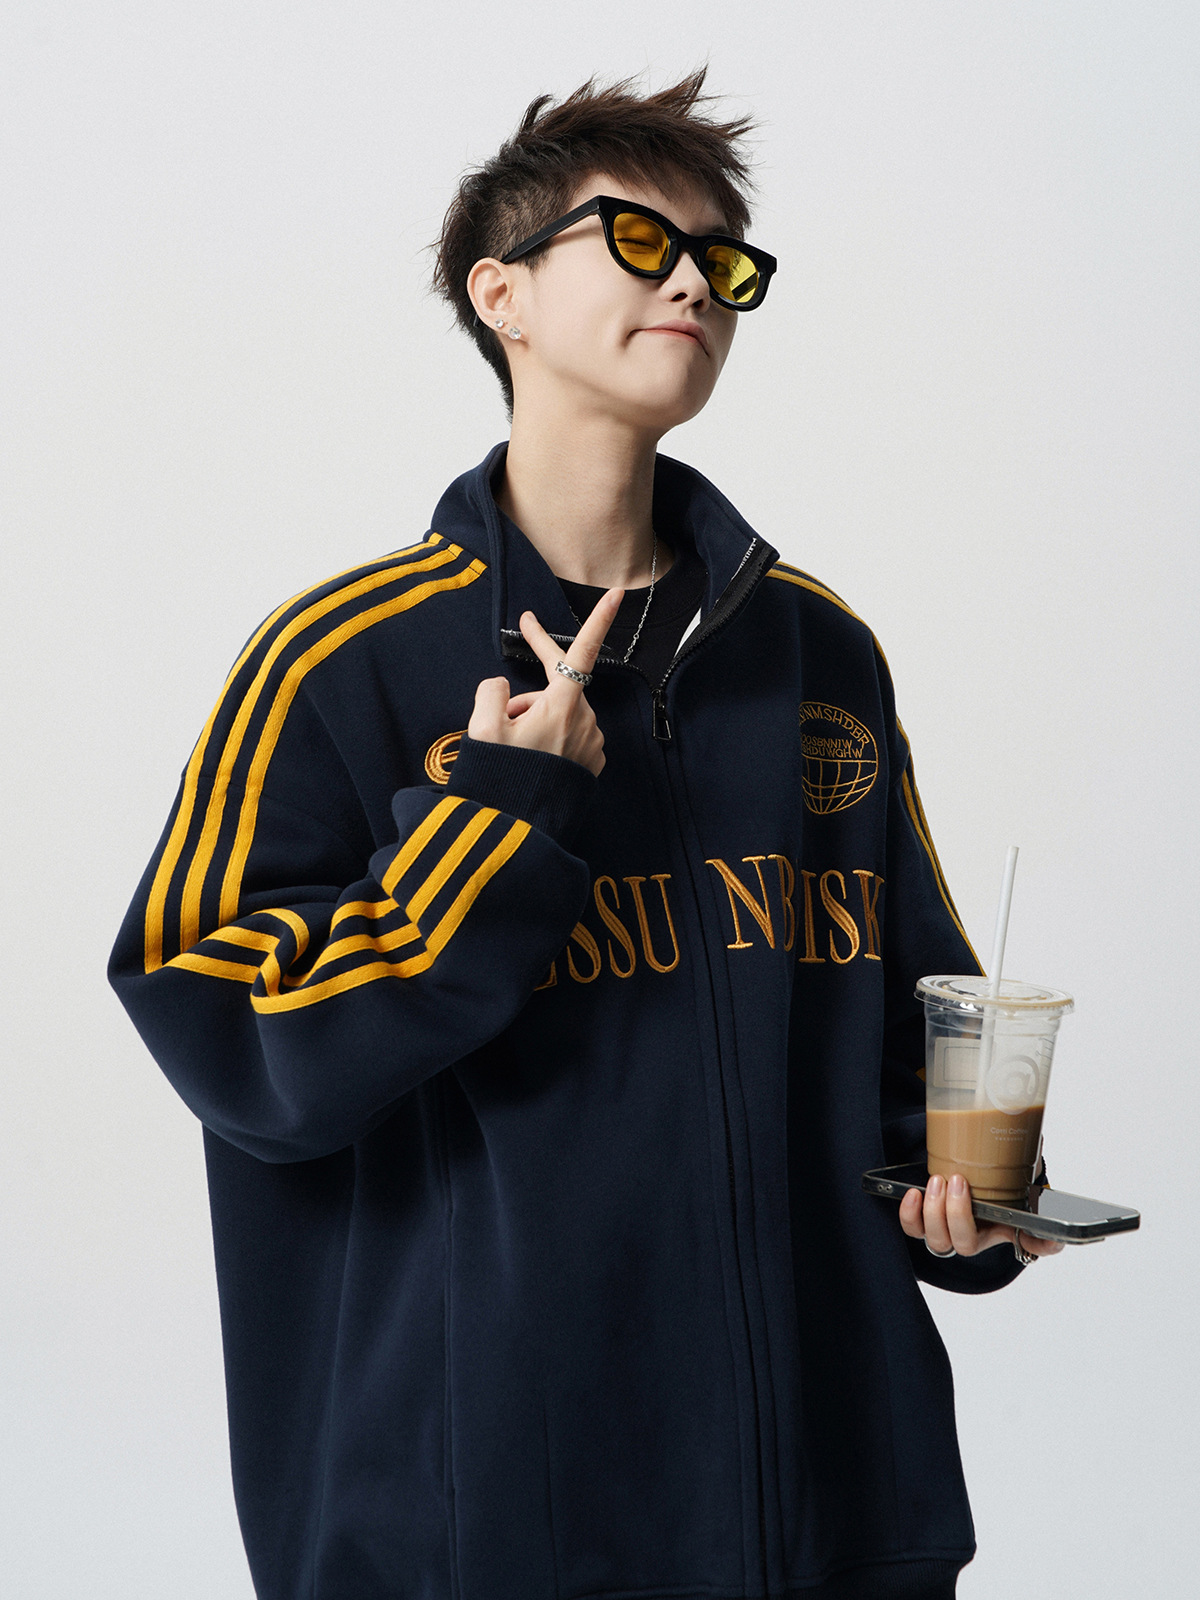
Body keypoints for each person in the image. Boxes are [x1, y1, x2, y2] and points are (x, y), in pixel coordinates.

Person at [109, 70, 1061, 1600]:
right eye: (635, 240)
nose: (693, 283)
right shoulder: (344, 662)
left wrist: (964, 1202)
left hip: (822, 1514)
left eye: (721, 261)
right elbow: (228, 1036)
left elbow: (915, 1029)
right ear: (502, 297)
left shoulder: (817, 653)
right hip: (485, 1526)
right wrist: (497, 823)